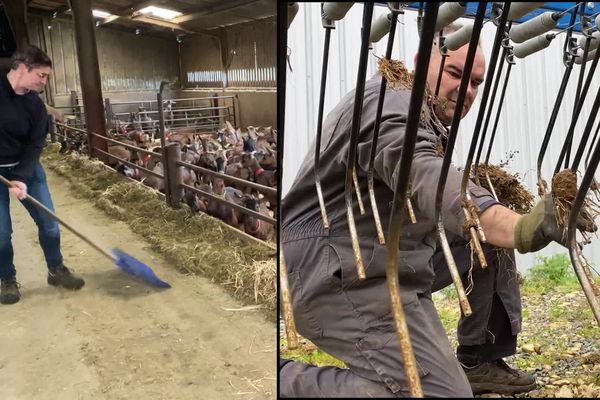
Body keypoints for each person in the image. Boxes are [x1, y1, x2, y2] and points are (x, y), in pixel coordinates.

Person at [279, 21, 595, 397]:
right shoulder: (390, 101)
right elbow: (421, 171)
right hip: (332, 266)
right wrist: (513, 225)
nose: (466, 91)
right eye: (455, 73)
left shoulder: (426, 116)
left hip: (384, 256)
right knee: (439, 394)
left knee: (487, 238)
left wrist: (498, 215)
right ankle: (283, 381)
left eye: (476, 83)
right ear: (420, 61)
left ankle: (478, 360)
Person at [0, 45, 85, 305]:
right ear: (24, 68)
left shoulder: (35, 106)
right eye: (42, 75)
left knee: (49, 224)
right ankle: (7, 279)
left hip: (25, 168)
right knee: (1, 234)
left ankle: (56, 269)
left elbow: (36, 144)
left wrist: (22, 177)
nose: (45, 82)